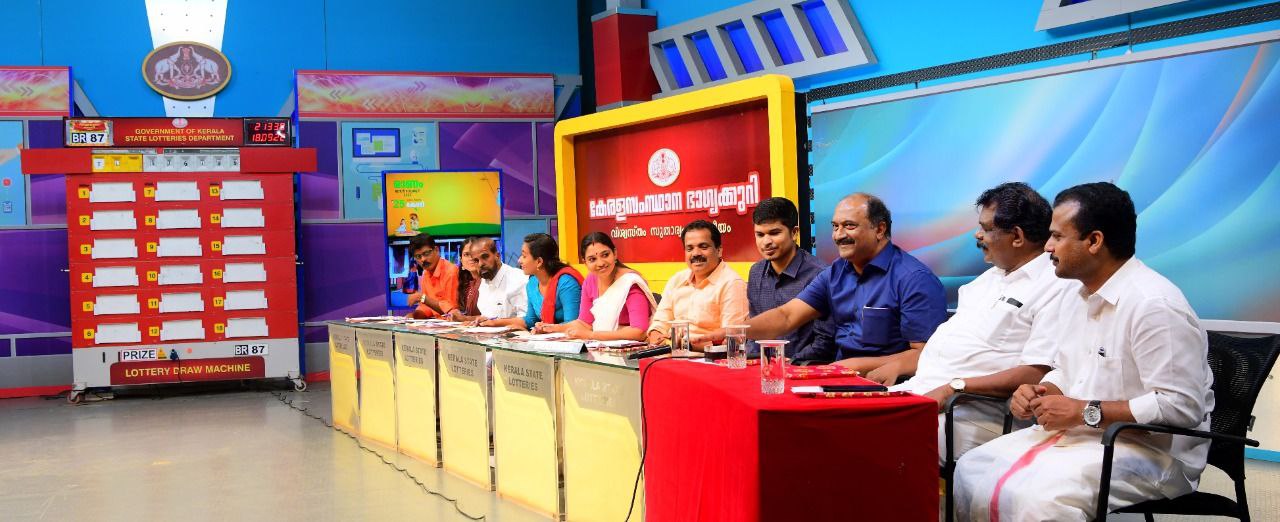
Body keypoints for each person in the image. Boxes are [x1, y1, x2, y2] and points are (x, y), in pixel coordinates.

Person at [953, 182, 1214, 521]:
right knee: (971, 469)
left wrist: (1084, 412)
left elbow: (1180, 407)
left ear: (1094, 241)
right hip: (1087, 435)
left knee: (1039, 498)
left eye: (1057, 236)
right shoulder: (1077, 296)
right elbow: (1067, 369)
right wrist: (1041, 391)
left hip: (1151, 450)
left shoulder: (1154, 306)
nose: (1047, 247)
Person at [890, 182, 1076, 463]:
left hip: (971, 412)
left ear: (1017, 236)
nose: (978, 235)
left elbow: (1035, 372)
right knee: (842, 422)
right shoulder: (988, 279)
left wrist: (955, 386)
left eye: (986, 228)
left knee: (871, 439)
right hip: (921, 393)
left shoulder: (1055, 286)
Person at [745, 193, 947, 383]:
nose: (838, 235)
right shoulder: (836, 272)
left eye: (849, 226)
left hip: (887, 388)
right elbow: (786, 316)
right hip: (837, 377)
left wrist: (857, 366)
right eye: (835, 227)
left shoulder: (914, 279)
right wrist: (733, 331)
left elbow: (927, 354)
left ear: (879, 229)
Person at [746, 197, 833, 360]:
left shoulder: (820, 274)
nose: (766, 242)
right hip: (763, 367)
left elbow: (824, 342)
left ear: (794, 233)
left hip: (804, 368)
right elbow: (754, 334)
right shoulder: (756, 272)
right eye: (760, 234)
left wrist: (790, 363)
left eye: (774, 233)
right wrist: (753, 361)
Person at [646, 220, 749, 349]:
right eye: (690, 248)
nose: (696, 253)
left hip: (707, 357)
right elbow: (659, 323)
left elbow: (732, 339)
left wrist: (683, 344)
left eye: (703, 247)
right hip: (669, 353)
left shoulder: (732, 284)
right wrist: (656, 337)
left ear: (719, 250)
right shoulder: (677, 280)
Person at [543, 232, 657, 341]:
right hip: (601, 345)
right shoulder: (591, 280)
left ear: (615, 254)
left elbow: (639, 332)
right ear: (585, 262)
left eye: (605, 255)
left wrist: (591, 335)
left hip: (634, 349)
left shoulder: (630, 283)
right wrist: (554, 328)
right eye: (592, 259)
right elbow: (585, 323)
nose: (601, 263)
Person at [482, 233, 582, 330]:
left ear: (539, 261)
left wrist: (544, 329)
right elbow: (530, 320)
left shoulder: (566, 283)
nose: (519, 260)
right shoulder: (532, 283)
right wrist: (494, 322)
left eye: (524, 256)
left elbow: (572, 324)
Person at [448, 237, 527, 322]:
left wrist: (494, 323)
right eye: (476, 260)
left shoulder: (517, 279)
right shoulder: (484, 281)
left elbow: (526, 320)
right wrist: (467, 319)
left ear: (497, 256)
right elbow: (488, 317)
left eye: (485, 257)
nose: (481, 264)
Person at [404, 233, 459, 319]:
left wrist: (422, 298)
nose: (423, 259)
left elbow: (452, 310)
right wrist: (414, 316)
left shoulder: (451, 271)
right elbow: (426, 307)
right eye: (418, 256)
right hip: (438, 324)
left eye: (426, 253)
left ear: (436, 250)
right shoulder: (426, 273)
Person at [454, 237, 482, 317]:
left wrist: (465, 319)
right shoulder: (465, 284)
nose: (471, 258)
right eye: (466, 254)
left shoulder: (488, 281)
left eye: (474, 253)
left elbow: (492, 316)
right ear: (461, 260)